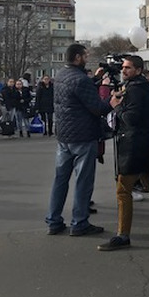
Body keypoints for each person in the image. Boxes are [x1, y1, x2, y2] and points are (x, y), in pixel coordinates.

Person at [96, 55, 149, 251]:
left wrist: (117, 106)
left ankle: (123, 235)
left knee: (123, 191)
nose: (124, 71)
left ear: (138, 70)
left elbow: (132, 118)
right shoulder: (146, 88)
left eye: (128, 68)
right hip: (145, 144)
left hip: (133, 145)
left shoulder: (135, 90)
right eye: (123, 67)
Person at [45, 43, 112, 237]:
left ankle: (54, 220)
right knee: (83, 181)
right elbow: (97, 108)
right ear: (77, 57)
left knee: (60, 179)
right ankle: (80, 222)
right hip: (83, 136)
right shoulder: (81, 80)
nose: (87, 57)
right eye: (85, 55)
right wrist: (112, 101)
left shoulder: (61, 76)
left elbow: (76, 97)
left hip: (64, 136)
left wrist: (96, 80)